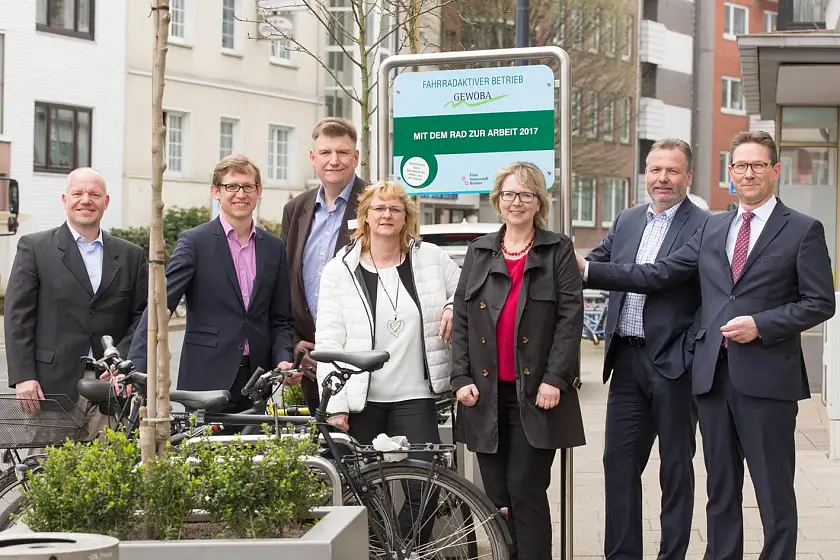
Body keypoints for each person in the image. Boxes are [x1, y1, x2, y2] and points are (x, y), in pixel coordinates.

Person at [578, 131, 836, 560]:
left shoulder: (803, 229)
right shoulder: (715, 225)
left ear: (775, 171)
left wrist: (762, 323)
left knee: (773, 493)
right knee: (721, 490)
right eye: (740, 165)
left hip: (768, 379)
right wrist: (582, 268)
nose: (748, 173)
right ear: (729, 172)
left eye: (757, 165)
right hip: (713, 378)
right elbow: (659, 274)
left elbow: (819, 302)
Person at [451, 162, 585, 560]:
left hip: (535, 396)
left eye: (526, 194)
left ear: (538, 201)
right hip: (485, 396)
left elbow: (569, 318)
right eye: (509, 194)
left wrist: (555, 378)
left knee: (525, 487)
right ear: (497, 200)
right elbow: (461, 317)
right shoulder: (480, 250)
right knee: (495, 496)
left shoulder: (557, 249)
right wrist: (459, 377)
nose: (516, 202)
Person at [585, 139, 708, 560]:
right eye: (655, 170)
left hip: (674, 363)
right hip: (627, 363)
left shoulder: (703, 226)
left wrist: (589, 269)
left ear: (688, 177)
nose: (662, 179)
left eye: (672, 171)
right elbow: (594, 261)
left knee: (675, 470)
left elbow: (660, 275)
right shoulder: (628, 219)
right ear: (646, 174)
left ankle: (671, 554)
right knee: (617, 465)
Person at [128, 154, 295, 411]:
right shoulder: (194, 242)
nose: (240, 193)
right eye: (231, 186)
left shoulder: (274, 248)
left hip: (257, 381)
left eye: (248, 186)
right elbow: (161, 306)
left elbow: (280, 318)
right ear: (216, 192)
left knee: (255, 450)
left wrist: (284, 359)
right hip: (205, 378)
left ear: (259, 190)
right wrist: (137, 365)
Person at [5, 167, 147, 436]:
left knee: (109, 473)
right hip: (51, 388)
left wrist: (123, 363)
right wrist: (24, 376)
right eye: (77, 193)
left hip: (111, 388)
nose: (86, 200)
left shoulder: (131, 255)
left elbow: (141, 318)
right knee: (46, 471)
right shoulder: (35, 248)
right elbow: (18, 317)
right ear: (64, 200)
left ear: (106, 202)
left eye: (94, 194)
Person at [281, 117, 366, 414]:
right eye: (326, 152)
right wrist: (295, 347)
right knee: (326, 452)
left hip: (361, 362)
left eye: (343, 153)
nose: (334, 161)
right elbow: (286, 286)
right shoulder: (296, 210)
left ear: (355, 158)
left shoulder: (374, 205)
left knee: (366, 454)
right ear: (313, 158)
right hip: (311, 361)